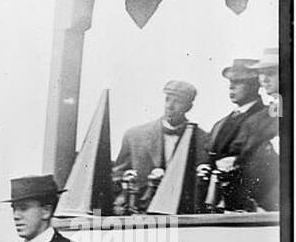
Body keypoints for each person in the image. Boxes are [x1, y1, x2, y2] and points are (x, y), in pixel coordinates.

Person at [111, 80, 210, 214]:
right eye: (168, 99)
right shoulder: (135, 136)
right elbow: (117, 176)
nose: (170, 106)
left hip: (183, 216)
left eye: (178, 101)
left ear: (189, 107)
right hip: (140, 215)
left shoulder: (203, 139)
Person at [199, 58, 279, 212]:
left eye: (239, 82)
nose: (231, 87)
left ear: (254, 85)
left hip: (254, 203)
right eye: (230, 82)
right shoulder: (220, 124)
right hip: (219, 202)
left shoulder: (269, 116)